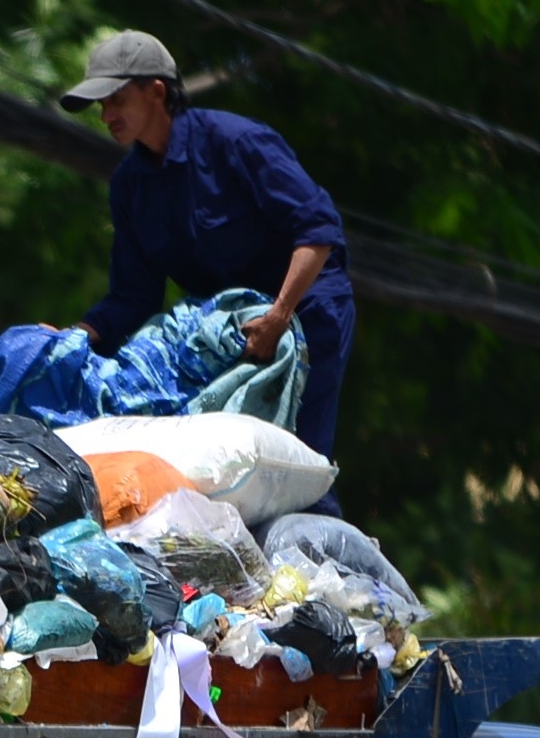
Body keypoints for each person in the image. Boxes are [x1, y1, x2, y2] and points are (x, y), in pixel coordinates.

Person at [60, 28, 357, 452]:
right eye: (101, 105)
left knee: (295, 457)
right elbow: (134, 297)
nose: (106, 116)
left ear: (157, 92)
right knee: (216, 462)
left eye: (117, 100)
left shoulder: (236, 141)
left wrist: (278, 317)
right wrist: (72, 339)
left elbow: (318, 232)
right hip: (226, 335)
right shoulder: (129, 186)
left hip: (306, 311)